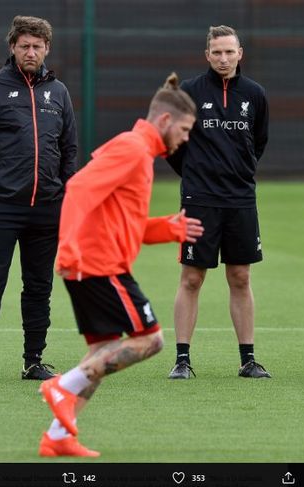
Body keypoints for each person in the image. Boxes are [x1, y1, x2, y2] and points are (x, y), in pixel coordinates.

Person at [37, 73, 203, 457]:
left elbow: (123, 222)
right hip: (98, 264)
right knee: (151, 339)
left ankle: (58, 437)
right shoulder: (132, 149)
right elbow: (77, 189)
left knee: (105, 350)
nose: (186, 138)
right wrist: (69, 248)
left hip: (96, 261)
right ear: (164, 121)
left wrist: (166, 228)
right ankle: (62, 386)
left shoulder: (140, 154)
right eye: (184, 129)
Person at [0, 15, 77, 384]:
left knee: (39, 285)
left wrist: (66, 194)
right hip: (1, 206)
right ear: (12, 47)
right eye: (25, 45)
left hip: (47, 208)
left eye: (38, 46)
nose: (31, 52)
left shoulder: (58, 93)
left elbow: (69, 148)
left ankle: (33, 361)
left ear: (47, 49)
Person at [166, 25, 271, 380]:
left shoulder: (255, 94)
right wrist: (196, 174)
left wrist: (238, 172)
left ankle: (248, 359)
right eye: (217, 52)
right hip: (200, 200)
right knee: (192, 278)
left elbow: (258, 142)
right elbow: (171, 145)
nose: (223, 58)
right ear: (207, 55)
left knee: (240, 276)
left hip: (240, 199)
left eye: (230, 52)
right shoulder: (189, 92)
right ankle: (182, 360)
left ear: (240, 53)